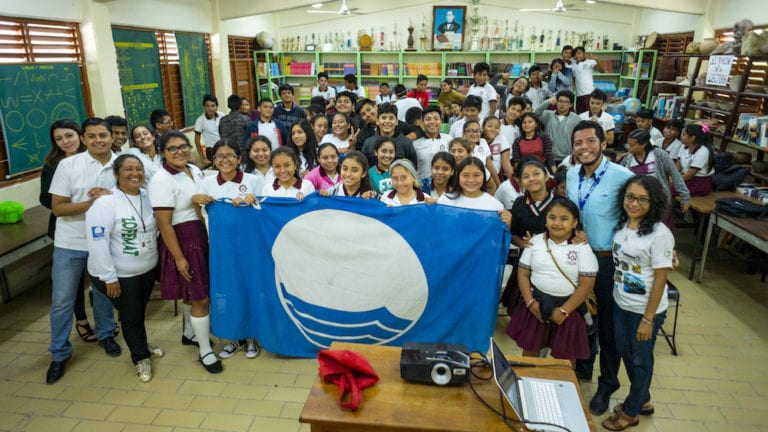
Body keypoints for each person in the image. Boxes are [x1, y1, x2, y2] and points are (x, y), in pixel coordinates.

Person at [566, 120, 634, 415]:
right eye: (578, 143)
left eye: (590, 141)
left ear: (603, 143)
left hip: (606, 261)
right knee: (579, 317)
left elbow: (649, 208)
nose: (584, 148)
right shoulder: (570, 175)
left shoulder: (623, 177)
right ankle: (582, 368)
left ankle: (607, 384)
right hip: (576, 258)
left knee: (608, 325)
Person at [46, 118, 120, 385]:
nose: (98, 140)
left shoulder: (122, 164)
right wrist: (91, 203)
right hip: (71, 243)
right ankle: (59, 353)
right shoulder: (68, 165)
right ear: (84, 139)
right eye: (92, 136)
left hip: (104, 242)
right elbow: (59, 208)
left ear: (112, 137)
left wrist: (110, 197)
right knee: (62, 300)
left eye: (103, 135)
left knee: (102, 295)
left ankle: (106, 335)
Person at [602, 175, 674, 431]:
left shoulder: (660, 234)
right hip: (622, 303)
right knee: (626, 352)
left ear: (654, 203)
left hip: (644, 309)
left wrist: (648, 318)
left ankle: (631, 411)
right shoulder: (624, 224)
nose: (634, 203)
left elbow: (660, 279)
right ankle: (642, 400)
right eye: (630, 197)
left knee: (641, 359)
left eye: (643, 199)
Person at [148, 131, 221, 374]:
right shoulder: (161, 179)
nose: (180, 151)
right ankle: (205, 350)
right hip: (185, 239)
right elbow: (164, 223)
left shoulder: (194, 169)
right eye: (172, 149)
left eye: (183, 146)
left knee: (197, 292)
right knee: (201, 297)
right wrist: (179, 257)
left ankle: (190, 333)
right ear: (162, 153)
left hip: (203, 235)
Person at [86, 154, 163, 382]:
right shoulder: (105, 202)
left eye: (138, 168)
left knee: (136, 314)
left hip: (146, 270)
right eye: (128, 169)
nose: (135, 173)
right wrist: (109, 278)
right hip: (119, 275)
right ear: (116, 174)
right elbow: (97, 242)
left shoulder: (148, 196)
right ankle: (140, 358)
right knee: (130, 317)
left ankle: (140, 343)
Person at [193, 140, 262, 360]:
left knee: (249, 289)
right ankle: (235, 336)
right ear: (213, 161)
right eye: (219, 156)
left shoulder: (254, 180)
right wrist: (196, 200)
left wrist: (254, 200)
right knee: (228, 291)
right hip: (222, 247)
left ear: (239, 159)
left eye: (230, 155)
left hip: (250, 247)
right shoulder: (207, 182)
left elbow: (264, 210)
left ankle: (251, 335)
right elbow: (200, 211)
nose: (225, 160)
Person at [507, 197, 597, 364]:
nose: (557, 223)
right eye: (552, 217)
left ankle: (566, 387)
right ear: (546, 220)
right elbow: (523, 273)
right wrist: (530, 303)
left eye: (564, 219)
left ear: (575, 222)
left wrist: (563, 311)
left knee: (565, 360)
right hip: (537, 305)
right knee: (530, 355)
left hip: (568, 308)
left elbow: (586, 285)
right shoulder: (535, 242)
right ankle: (528, 384)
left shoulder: (582, 248)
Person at [40, 120, 93, 344]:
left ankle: (106, 326)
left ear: (79, 136)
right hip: (67, 230)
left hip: (94, 228)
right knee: (72, 284)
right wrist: (70, 202)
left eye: (69, 136)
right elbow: (45, 198)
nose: (65, 142)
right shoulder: (53, 165)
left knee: (99, 281)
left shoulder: (92, 158)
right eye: (59, 139)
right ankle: (81, 320)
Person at [620, 129, 690, 231]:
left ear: (643, 144)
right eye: (628, 144)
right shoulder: (628, 159)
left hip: (659, 201)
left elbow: (675, 175)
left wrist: (685, 196)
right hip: (638, 203)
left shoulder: (659, 155)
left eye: (632, 145)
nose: (628, 147)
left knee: (660, 231)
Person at [437, 157, 512, 228]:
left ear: (484, 176)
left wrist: (508, 224)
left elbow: (499, 237)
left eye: (476, 175)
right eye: (465, 175)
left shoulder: (496, 206)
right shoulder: (444, 201)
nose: (471, 180)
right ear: (458, 176)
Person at [509, 159, 559, 248]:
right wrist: (523, 243)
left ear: (546, 177)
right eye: (526, 176)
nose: (531, 179)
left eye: (536, 174)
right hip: (529, 255)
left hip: (557, 254)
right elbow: (513, 234)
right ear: (521, 182)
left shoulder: (560, 202)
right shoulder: (519, 203)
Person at [360, 103, 418, 170]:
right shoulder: (368, 143)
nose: (387, 121)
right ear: (377, 121)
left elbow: (413, 168)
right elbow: (363, 168)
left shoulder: (406, 143)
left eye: (391, 118)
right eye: (384, 118)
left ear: (396, 122)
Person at [534, 90, 582, 164]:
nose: (562, 104)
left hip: (567, 158)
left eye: (566, 102)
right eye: (560, 101)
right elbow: (535, 113)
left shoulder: (576, 119)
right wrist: (548, 101)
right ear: (556, 102)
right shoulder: (548, 115)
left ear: (571, 104)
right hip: (549, 157)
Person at [413, 106, 451, 180]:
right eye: (428, 119)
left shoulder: (449, 139)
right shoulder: (415, 144)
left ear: (441, 121)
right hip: (422, 185)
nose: (432, 122)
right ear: (422, 122)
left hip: (445, 183)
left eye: (436, 119)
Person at [676, 123, 715, 196]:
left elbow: (689, 175)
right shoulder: (684, 146)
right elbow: (678, 166)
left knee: (667, 189)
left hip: (698, 182)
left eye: (684, 135)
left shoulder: (703, 151)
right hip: (684, 178)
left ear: (692, 138)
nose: (681, 137)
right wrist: (672, 176)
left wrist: (674, 180)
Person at [463, 120, 500, 195]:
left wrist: (499, 185)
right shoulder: (460, 146)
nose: (474, 134)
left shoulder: (483, 142)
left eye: (477, 131)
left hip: (483, 180)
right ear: (464, 133)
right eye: (471, 131)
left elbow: (490, 166)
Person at [571, 46, 604, 115]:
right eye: (575, 54)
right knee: (580, 115)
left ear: (584, 54)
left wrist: (596, 59)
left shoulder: (590, 62)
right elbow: (574, 78)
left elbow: (602, 71)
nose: (577, 56)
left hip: (589, 94)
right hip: (578, 95)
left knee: (591, 114)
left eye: (579, 53)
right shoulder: (573, 64)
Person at [194, 94, 224, 166]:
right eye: (207, 106)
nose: (210, 109)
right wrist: (203, 158)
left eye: (213, 106)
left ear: (217, 107)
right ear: (204, 106)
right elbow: (197, 140)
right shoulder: (200, 120)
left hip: (225, 148)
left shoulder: (222, 116)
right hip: (212, 151)